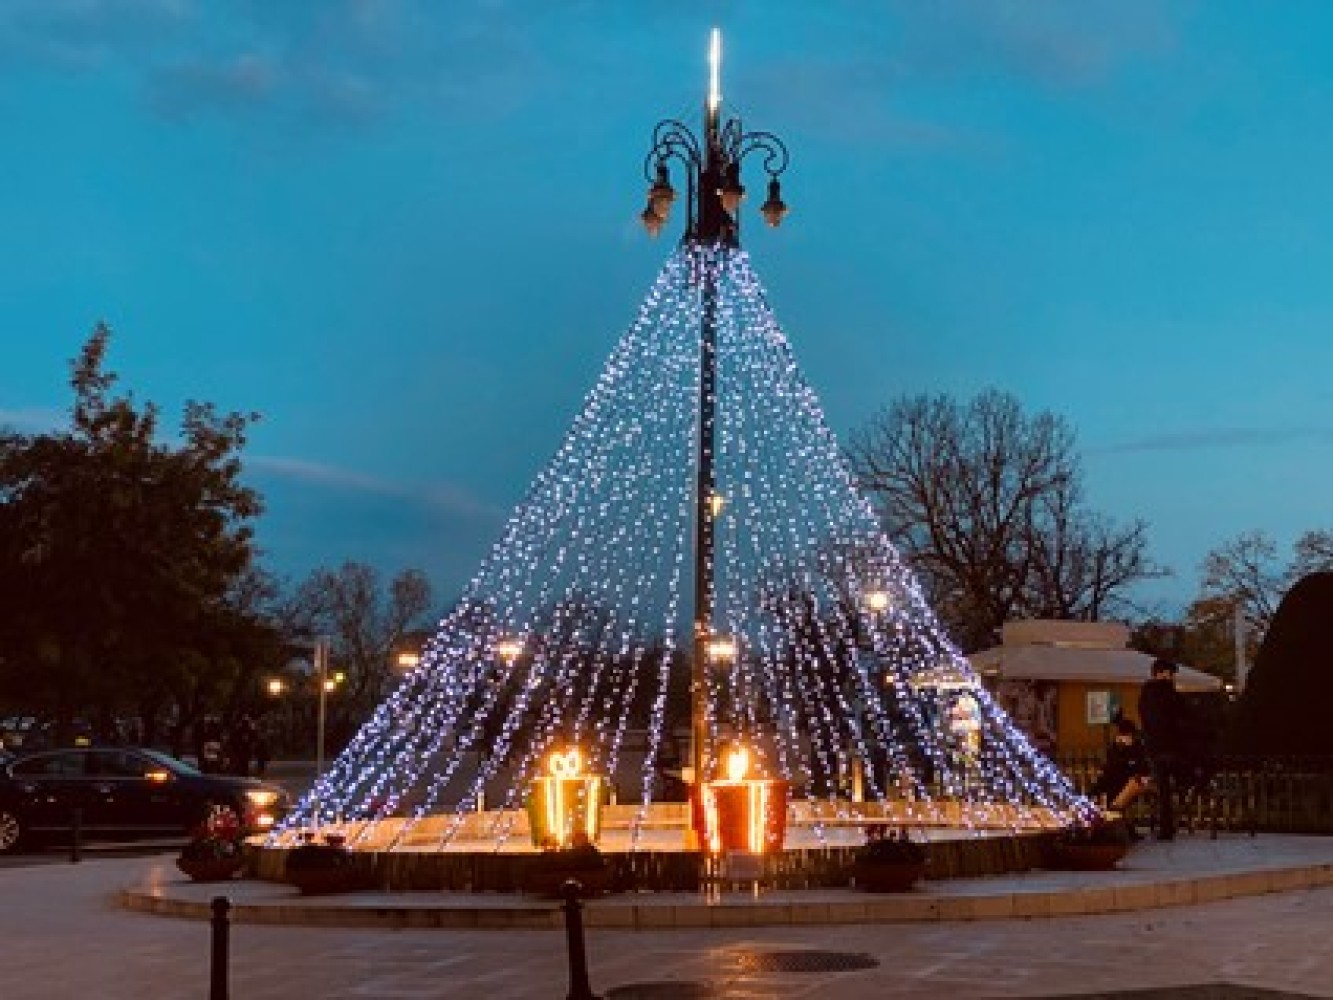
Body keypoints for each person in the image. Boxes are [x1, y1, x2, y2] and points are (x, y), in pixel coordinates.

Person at [1138, 657, 1190, 840]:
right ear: (1161, 673)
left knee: (1163, 790)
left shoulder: (1145, 693)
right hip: (1171, 747)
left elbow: (1146, 720)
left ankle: (1166, 827)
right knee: (1175, 785)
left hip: (1153, 747)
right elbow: (1183, 718)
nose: (1172, 677)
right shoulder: (1170, 694)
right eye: (1170, 673)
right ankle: (1171, 824)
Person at [1090, 714, 1151, 815]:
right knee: (1107, 778)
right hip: (1117, 777)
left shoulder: (1139, 747)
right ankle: (1097, 800)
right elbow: (1111, 765)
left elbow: (1142, 767)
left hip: (1132, 778)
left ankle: (1114, 807)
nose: (1126, 739)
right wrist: (1119, 749)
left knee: (1117, 779)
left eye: (1128, 736)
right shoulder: (1116, 748)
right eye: (1123, 736)